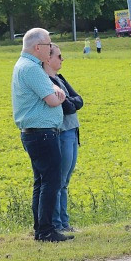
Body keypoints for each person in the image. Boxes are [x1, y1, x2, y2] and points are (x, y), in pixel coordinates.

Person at [11, 29, 71, 242]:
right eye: (48, 45)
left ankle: (41, 228)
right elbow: (53, 100)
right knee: (51, 181)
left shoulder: (26, 66)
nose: (50, 48)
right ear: (38, 47)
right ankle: (46, 230)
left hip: (35, 134)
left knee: (42, 181)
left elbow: (53, 91)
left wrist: (57, 90)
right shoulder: (32, 69)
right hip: (42, 134)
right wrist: (59, 94)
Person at [44, 44, 83, 234]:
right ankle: (58, 224)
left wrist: (70, 102)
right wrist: (70, 102)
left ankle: (64, 222)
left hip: (72, 130)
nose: (62, 59)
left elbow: (78, 101)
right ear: (48, 59)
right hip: (63, 132)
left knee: (65, 180)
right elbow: (69, 107)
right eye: (59, 56)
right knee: (59, 180)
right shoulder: (47, 81)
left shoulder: (60, 79)